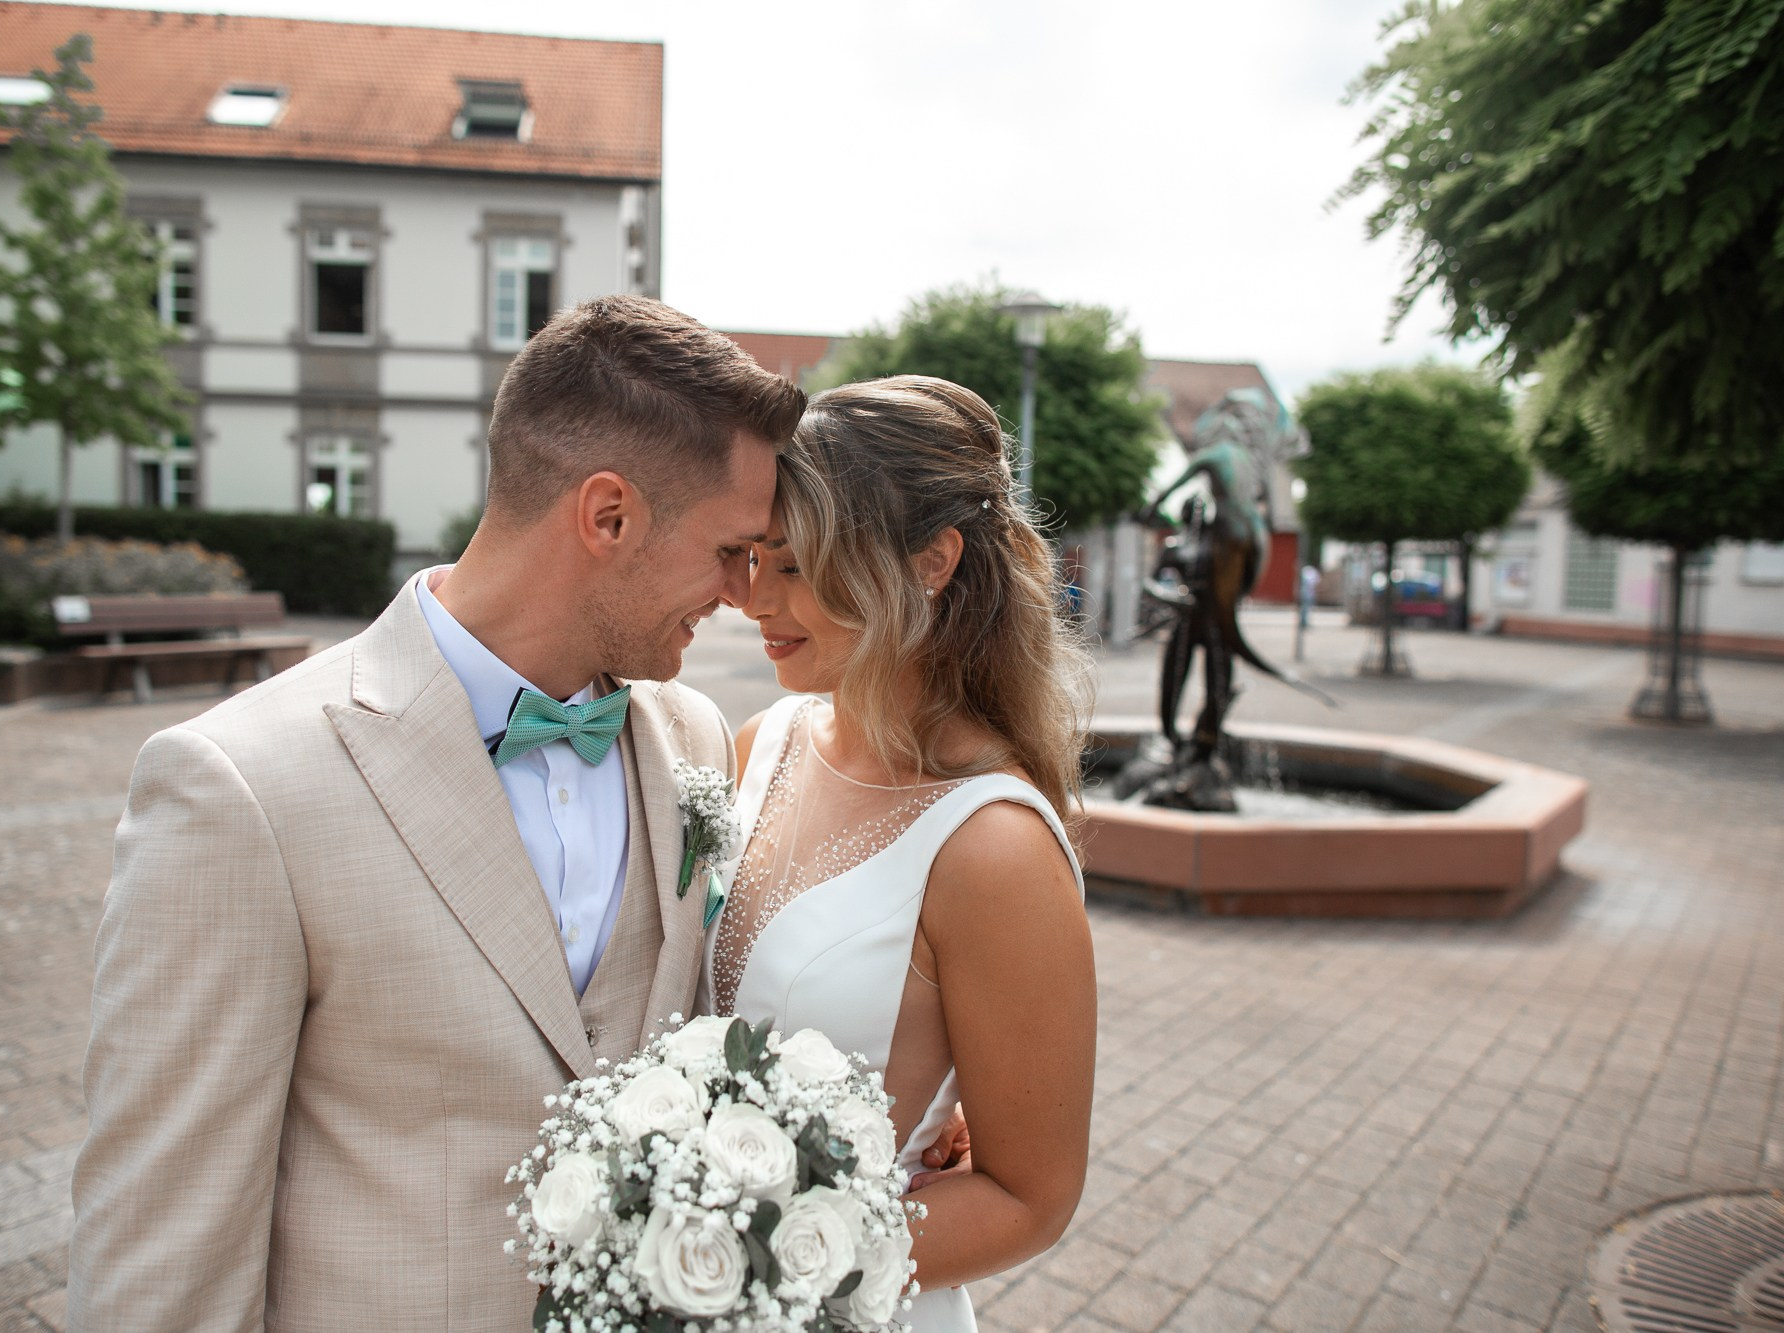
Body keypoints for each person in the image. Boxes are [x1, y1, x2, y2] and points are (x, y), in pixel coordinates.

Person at [67, 295, 808, 1330]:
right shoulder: (238, 790)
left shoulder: (687, 734)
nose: (739, 591)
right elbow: (163, 1242)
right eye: (729, 550)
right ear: (608, 517)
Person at [712, 375, 1098, 1331]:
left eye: (797, 565)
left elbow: (1028, 1196)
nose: (755, 598)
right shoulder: (763, 742)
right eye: (755, 556)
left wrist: (742, 1263)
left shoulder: (994, 848)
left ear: (931, 560)